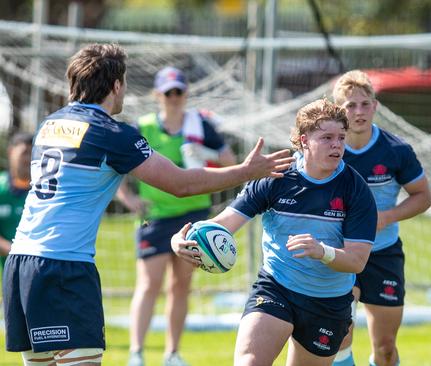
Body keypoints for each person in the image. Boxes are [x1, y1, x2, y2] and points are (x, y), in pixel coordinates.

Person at [2, 43, 293, 366]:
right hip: (64, 267)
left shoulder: (50, 124)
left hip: (21, 265)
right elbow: (182, 184)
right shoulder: (111, 133)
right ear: (116, 85)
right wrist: (246, 172)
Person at [172, 98, 378, 366]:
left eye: (341, 137)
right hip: (276, 287)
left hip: (328, 301)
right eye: (326, 137)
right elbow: (224, 224)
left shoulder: (355, 190)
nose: (337, 144)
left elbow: (357, 261)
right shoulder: (275, 178)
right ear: (304, 140)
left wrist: (322, 251)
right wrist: (183, 239)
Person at [116, 66, 238, 366]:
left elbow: (230, 162)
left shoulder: (200, 125)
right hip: (154, 217)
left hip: (193, 216)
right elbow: (117, 164)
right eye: (168, 92)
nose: (173, 97)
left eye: (179, 91)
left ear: (186, 93)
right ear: (157, 95)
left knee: (180, 285)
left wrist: (202, 152)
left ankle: (172, 353)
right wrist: (128, 198)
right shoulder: (142, 126)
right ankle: (137, 353)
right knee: (148, 284)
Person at [331, 70, 431, 366]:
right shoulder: (327, 149)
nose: (358, 112)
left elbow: (423, 197)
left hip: (383, 253)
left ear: (376, 106)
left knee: (386, 347)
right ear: (339, 109)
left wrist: (387, 217)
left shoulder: (397, 150)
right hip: (340, 254)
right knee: (340, 336)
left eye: (365, 104)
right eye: (350, 106)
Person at [0, 132, 32, 271]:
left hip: (40, 267)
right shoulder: (1, 188)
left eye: (33, 153)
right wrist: (16, 251)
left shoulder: (45, 190)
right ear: (11, 152)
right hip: (10, 270)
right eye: (25, 152)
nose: (29, 159)